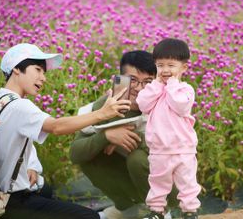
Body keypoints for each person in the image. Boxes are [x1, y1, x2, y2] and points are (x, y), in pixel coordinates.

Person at [0, 43, 131, 219]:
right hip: (12, 200)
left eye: (44, 72)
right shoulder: (21, 106)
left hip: (6, 191)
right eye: (37, 69)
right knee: (88, 217)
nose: (43, 78)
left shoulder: (0, 98)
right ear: (16, 69)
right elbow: (56, 127)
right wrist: (102, 113)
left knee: (46, 190)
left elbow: (15, 138)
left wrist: (31, 166)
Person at [70, 50, 178, 219]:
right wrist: (106, 136)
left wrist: (130, 138)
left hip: (172, 185)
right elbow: (75, 153)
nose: (139, 88)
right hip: (134, 181)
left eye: (148, 82)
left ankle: (161, 212)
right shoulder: (107, 106)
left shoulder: (166, 105)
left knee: (137, 159)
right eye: (132, 80)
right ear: (120, 79)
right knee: (90, 154)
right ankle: (129, 210)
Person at [136, 38, 201, 219]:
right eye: (160, 65)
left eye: (171, 65)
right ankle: (157, 212)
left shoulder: (185, 89)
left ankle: (190, 211)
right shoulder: (154, 89)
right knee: (157, 183)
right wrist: (157, 85)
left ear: (183, 68)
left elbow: (179, 106)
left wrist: (172, 84)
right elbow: (143, 104)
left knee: (187, 184)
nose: (165, 70)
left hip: (183, 149)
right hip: (159, 149)